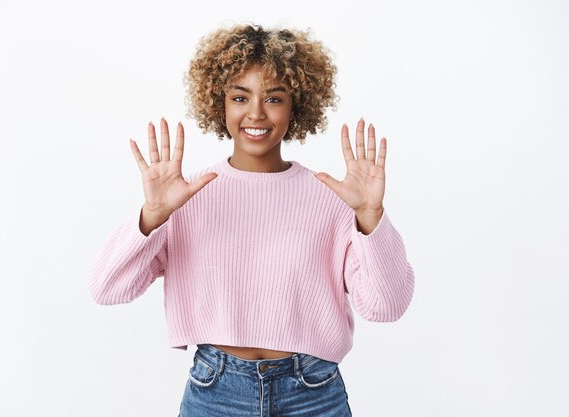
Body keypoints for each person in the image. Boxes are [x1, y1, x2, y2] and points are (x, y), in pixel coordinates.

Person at [89, 22, 415, 417]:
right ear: (219, 103)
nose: (256, 113)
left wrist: (370, 217)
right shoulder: (184, 195)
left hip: (313, 394)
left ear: (296, 106)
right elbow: (107, 289)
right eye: (240, 97)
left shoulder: (333, 200)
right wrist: (152, 217)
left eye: (274, 98)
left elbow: (387, 306)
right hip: (216, 392)